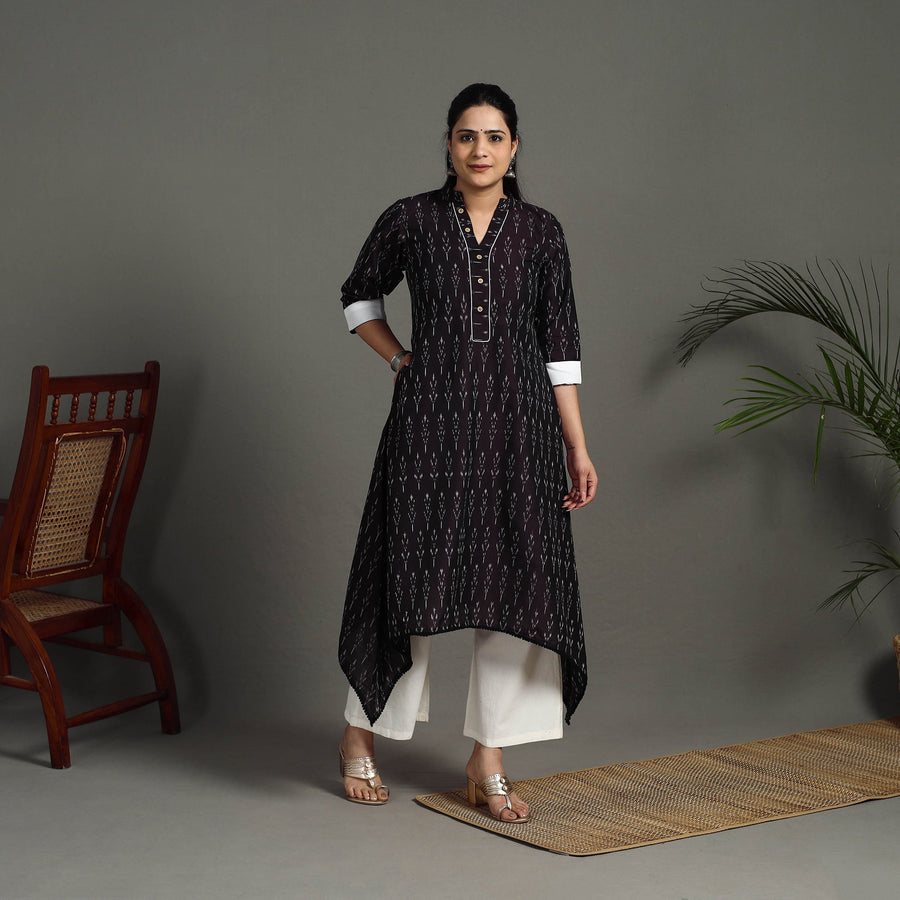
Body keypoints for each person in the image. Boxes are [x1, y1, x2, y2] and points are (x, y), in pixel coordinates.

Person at [337, 83, 596, 824]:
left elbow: (561, 346)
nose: (480, 150)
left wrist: (577, 446)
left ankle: (490, 758)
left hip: (520, 430)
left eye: (494, 137)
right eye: (466, 136)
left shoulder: (540, 231)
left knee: (519, 585)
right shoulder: (412, 219)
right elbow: (358, 296)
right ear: (449, 145)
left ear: (515, 149)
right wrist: (399, 358)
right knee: (405, 575)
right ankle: (360, 733)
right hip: (431, 425)